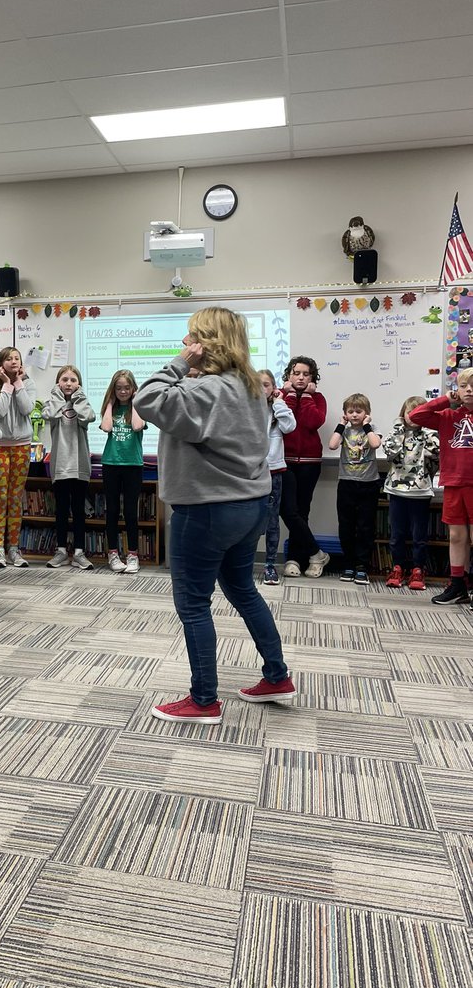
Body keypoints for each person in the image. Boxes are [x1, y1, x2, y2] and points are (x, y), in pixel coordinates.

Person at [134, 308, 295, 725]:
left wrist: (178, 364)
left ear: (204, 344)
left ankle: (204, 700)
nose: (184, 345)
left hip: (205, 511)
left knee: (193, 604)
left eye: (190, 339)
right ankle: (276, 676)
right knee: (242, 589)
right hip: (250, 505)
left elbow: (146, 398)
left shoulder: (203, 391)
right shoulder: (250, 387)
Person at [409, 373, 473, 605]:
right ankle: (458, 585)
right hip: (454, 482)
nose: (468, 390)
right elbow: (415, 416)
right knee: (457, 536)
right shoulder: (448, 416)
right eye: (463, 386)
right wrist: (445, 399)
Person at [0, 347, 36, 568]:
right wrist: (6, 385)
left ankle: (14, 549)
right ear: (1, 363)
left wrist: (19, 383)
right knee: (0, 498)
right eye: (8, 358)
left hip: (22, 446)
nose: (13, 361)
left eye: (17, 358)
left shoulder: (28, 383)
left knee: (15, 499)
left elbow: (26, 409)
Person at [381, 395, 439, 590]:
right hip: (397, 490)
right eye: (409, 413)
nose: (413, 417)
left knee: (418, 536)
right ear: (402, 415)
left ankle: (417, 570)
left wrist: (429, 423)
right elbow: (390, 452)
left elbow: (438, 449)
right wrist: (399, 426)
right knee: (397, 534)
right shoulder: (396, 433)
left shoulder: (429, 434)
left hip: (420, 492)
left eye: (418, 413)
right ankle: (397, 568)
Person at [280, 355, 329, 578]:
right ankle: (315, 553)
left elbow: (312, 422)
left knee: (302, 511)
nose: (300, 377)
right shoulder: (279, 396)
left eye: (306, 374)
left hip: (310, 462)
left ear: (312, 377)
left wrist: (307, 396)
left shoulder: (318, 398)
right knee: (288, 511)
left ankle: (296, 560)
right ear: (289, 375)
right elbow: (285, 424)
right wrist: (290, 396)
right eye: (296, 373)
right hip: (284, 461)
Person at [43, 365, 96, 570]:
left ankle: (80, 552)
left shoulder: (82, 403)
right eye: (64, 380)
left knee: (78, 510)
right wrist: (58, 396)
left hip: (80, 465)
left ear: (79, 384)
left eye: (73, 380)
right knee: (62, 509)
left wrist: (78, 398)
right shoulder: (54, 402)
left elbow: (88, 417)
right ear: (58, 383)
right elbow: (50, 415)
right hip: (61, 465)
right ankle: (61, 551)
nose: (68, 384)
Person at [329, 393, 382, 585]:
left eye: (358, 411)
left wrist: (367, 426)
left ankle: (362, 566)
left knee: (365, 527)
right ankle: (349, 564)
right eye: (350, 411)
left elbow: (375, 444)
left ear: (367, 413)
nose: (354, 415)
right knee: (346, 526)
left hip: (368, 484)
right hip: (347, 483)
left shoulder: (372, 430)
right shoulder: (344, 431)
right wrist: (341, 425)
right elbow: (332, 445)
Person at [100, 368, 144, 574]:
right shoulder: (111, 408)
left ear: (133, 389)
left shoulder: (138, 408)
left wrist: (135, 402)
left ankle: (133, 555)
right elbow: (107, 428)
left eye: (127, 388)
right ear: (113, 390)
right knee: (112, 511)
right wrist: (109, 403)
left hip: (132, 465)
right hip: (111, 464)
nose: (123, 391)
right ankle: (113, 554)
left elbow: (137, 426)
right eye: (118, 388)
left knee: (130, 512)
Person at [258, 370, 296, 585]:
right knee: (250, 522)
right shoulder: (245, 409)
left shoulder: (278, 408)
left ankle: (270, 565)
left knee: (272, 520)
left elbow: (289, 427)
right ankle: (244, 564)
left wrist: (279, 403)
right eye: (256, 385)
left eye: (265, 385)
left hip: (273, 473)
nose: (261, 389)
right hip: (251, 473)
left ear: (273, 388)